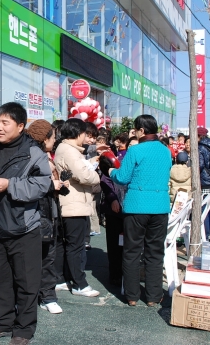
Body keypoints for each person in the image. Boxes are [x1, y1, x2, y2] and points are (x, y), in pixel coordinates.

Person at [0, 102, 51, 345]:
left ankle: (24, 330)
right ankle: (2, 323)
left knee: (27, 283)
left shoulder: (34, 153)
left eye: (4, 122)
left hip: (24, 227)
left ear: (20, 126)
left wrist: (11, 185)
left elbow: (42, 185)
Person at [105, 115, 172, 307]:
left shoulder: (135, 150)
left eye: (135, 130)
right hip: (160, 205)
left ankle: (132, 295)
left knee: (132, 250)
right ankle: (153, 295)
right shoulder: (166, 151)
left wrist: (110, 172)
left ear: (141, 131)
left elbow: (123, 178)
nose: (134, 133)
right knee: (155, 252)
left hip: (136, 206)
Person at [53, 118, 101, 297]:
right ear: (78, 133)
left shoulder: (65, 148)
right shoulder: (70, 151)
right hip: (74, 205)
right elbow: (84, 176)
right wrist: (96, 175)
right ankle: (79, 284)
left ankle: (62, 279)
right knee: (76, 246)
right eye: (85, 134)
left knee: (68, 245)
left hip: (71, 203)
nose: (86, 138)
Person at [26, 119, 69, 315]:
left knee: (46, 257)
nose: (55, 141)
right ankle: (45, 297)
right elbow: (31, 185)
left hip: (47, 213)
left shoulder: (42, 156)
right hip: (37, 214)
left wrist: (58, 186)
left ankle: (47, 296)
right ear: (45, 139)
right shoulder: (32, 156)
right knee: (43, 257)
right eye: (53, 137)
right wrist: (53, 185)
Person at [98, 152, 123, 286]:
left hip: (129, 210)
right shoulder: (110, 168)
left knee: (127, 246)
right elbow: (105, 181)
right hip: (113, 212)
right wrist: (113, 199)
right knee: (114, 245)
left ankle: (126, 273)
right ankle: (115, 275)